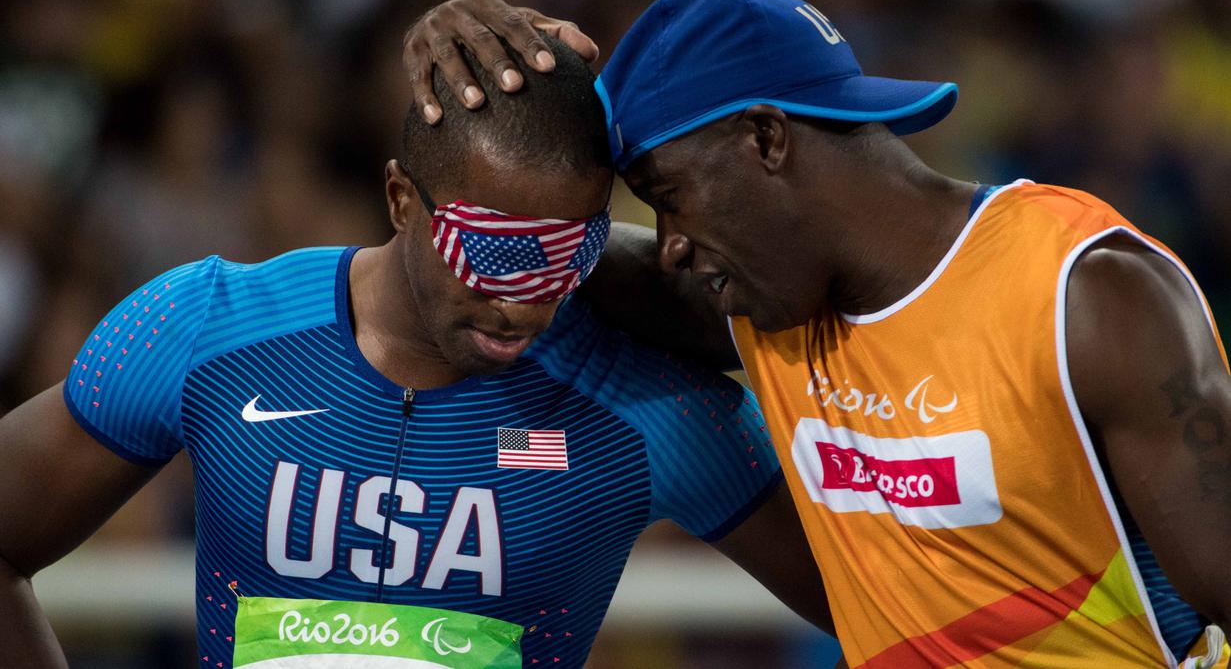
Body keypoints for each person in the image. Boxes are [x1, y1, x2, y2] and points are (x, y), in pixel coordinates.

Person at [403, 0, 1231, 668]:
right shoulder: (761, 304)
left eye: (668, 197)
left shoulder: (1085, 297)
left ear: (764, 137)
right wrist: (514, 76)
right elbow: (534, 256)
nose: (671, 248)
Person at [0, 34, 836, 669]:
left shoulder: (649, 411)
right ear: (401, 198)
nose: (524, 302)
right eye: (494, 250)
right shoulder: (207, 327)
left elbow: (900, 608)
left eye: (566, 255)